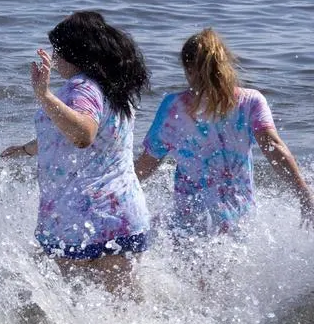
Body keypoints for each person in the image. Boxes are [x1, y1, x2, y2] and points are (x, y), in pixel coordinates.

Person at [1, 11, 151, 291]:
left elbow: (83, 135)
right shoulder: (112, 88)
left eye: (56, 50)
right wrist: (27, 149)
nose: (54, 57)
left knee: (65, 303)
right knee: (124, 310)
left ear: (73, 54)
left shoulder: (82, 88)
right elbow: (66, 136)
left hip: (85, 221)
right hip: (122, 216)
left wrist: (44, 95)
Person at [134, 28, 314, 236]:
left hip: (189, 220)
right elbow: (273, 147)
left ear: (189, 69)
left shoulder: (173, 106)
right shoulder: (251, 101)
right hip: (239, 217)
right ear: (225, 63)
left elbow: (149, 161)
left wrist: (118, 193)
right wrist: (303, 192)